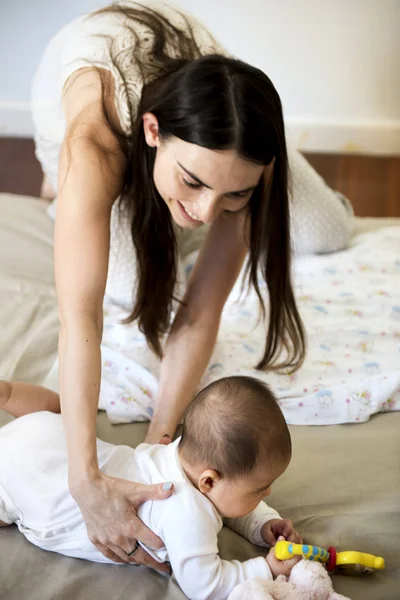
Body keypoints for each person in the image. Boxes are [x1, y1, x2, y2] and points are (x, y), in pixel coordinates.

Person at [29, 0, 353, 569]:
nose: (205, 212)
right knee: (125, 283)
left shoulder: (236, 170)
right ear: (153, 132)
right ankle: (65, 192)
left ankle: (234, 159)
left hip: (205, 95)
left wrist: (162, 439)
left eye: (232, 195)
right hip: (92, 116)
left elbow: (200, 312)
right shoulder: (96, 141)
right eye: (195, 183)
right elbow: (81, 319)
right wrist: (87, 482)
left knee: (327, 229)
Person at [0, 376, 302, 600]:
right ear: (208, 480)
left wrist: (262, 523)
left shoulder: (178, 454)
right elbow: (205, 585)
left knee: (62, 414)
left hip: (45, 433)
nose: (267, 494)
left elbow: (224, 502)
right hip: (24, 480)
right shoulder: (187, 516)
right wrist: (266, 568)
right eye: (260, 489)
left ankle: (9, 394)